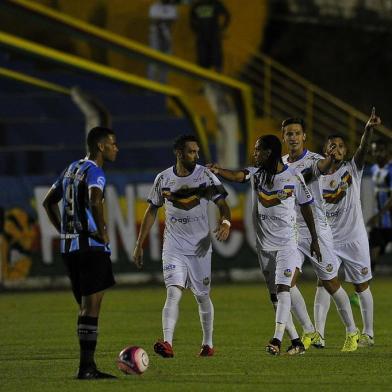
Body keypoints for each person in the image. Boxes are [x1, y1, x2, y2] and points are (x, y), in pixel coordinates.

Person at [208, 135, 321, 356]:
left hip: (288, 244)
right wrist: (219, 171)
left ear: (269, 153)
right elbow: (239, 175)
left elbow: (307, 207)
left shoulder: (293, 177)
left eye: (258, 150)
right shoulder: (257, 174)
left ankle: (276, 339)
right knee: (274, 297)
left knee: (283, 289)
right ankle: (296, 341)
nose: (255, 153)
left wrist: (315, 239)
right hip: (264, 246)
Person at [133, 134, 231, 357]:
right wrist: (139, 244)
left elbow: (223, 204)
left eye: (197, 151)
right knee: (173, 292)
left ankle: (208, 344)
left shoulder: (205, 176)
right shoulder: (163, 179)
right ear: (179, 153)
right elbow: (151, 210)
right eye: (191, 152)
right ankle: (167, 342)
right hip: (174, 246)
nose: (196, 155)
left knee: (202, 296)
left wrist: (225, 222)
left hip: (200, 248)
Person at [42, 127, 119, 379]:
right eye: (112, 144)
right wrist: (102, 232)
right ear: (100, 147)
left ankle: (87, 366)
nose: (116, 148)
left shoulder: (71, 168)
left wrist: (63, 231)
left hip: (70, 249)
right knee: (91, 308)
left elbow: (48, 201)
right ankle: (87, 367)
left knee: (85, 308)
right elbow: (95, 199)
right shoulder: (96, 172)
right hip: (91, 248)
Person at [281, 117, 359, 352]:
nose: (293, 137)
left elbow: (322, 168)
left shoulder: (315, 160)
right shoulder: (281, 163)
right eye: (289, 134)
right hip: (293, 232)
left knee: (331, 283)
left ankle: (352, 331)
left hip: (317, 229)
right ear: (283, 137)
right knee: (285, 282)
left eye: (297, 133)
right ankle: (309, 330)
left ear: (304, 136)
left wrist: (332, 158)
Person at [320, 108, 381, 348]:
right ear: (326, 150)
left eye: (340, 146)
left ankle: (368, 333)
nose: (336, 148)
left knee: (361, 285)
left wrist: (368, 129)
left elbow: (363, 150)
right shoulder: (316, 175)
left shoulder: (352, 169)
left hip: (354, 238)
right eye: (331, 145)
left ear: (345, 151)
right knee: (325, 281)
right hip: (329, 240)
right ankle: (319, 334)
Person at [367, 139, 392, 271]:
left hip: (386, 218)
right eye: (375, 150)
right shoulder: (374, 168)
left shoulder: (391, 169)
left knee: (375, 249)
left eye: (380, 151)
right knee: (373, 250)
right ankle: (365, 288)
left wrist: (378, 215)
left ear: (387, 152)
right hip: (380, 222)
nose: (377, 154)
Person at [190, 0, 230, 71]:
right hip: (203, 38)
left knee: (216, 59)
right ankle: (205, 77)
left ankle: (217, 77)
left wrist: (222, 28)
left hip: (213, 37)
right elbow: (192, 21)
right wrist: (196, 30)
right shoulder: (197, 5)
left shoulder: (215, 3)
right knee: (203, 60)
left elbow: (227, 16)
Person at [148, 0, 178, 82]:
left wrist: (161, 21)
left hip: (167, 36)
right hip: (155, 36)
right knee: (153, 60)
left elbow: (171, 21)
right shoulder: (155, 6)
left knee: (166, 60)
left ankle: (163, 84)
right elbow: (154, 20)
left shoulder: (172, 7)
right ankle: (151, 84)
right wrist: (162, 21)